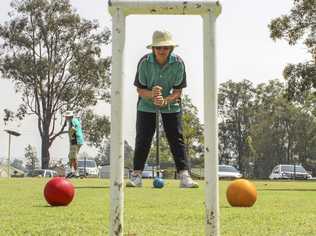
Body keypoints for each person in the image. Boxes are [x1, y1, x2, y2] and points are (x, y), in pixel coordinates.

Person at [126, 30, 199, 188]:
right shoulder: (144, 62)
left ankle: (184, 176)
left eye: (165, 47)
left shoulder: (178, 63)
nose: (161, 50)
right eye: (158, 47)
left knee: (176, 138)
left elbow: (178, 92)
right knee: (143, 137)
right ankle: (137, 175)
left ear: (171, 48)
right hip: (146, 103)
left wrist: (166, 100)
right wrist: (152, 95)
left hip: (171, 104)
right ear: (153, 48)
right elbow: (140, 90)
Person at [64, 111, 84, 178]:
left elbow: (73, 128)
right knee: (71, 156)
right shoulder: (75, 120)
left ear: (69, 116)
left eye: (66, 116)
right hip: (78, 140)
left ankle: (75, 173)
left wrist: (71, 132)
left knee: (73, 157)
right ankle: (72, 171)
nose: (65, 117)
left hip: (75, 140)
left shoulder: (72, 121)